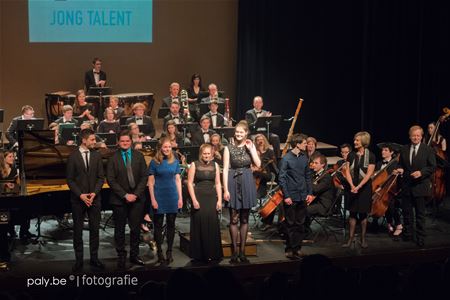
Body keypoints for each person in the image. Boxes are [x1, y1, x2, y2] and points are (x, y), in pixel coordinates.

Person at [107, 131, 148, 270]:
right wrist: (125, 195)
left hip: (137, 199)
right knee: (119, 229)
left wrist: (135, 194)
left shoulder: (139, 156)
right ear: (118, 142)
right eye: (122, 141)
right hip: (119, 200)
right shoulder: (113, 158)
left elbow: (144, 177)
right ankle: (121, 256)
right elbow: (111, 180)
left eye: (127, 141)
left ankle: (134, 255)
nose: (125, 143)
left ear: (131, 142)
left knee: (135, 229)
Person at [66, 128, 105, 272]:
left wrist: (94, 193)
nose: (95, 142)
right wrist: (81, 195)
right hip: (78, 200)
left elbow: (101, 177)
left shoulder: (96, 156)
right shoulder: (73, 156)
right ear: (84, 140)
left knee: (95, 230)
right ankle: (79, 260)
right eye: (92, 140)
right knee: (78, 231)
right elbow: (70, 180)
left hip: (95, 199)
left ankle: (94, 258)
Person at [223, 121, 261, 263]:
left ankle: (243, 252)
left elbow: (258, 164)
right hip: (233, 180)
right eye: (237, 132)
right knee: (233, 218)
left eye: (241, 132)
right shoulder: (228, 148)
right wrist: (225, 189)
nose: (239, 134)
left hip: (246, 180)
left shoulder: (249, 146)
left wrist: (251, 149)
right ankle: (234, 251)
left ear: (246, 133)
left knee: (245, 218)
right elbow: (225, 169)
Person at [394, 125, 436, 247]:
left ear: (421, 137)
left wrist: (421, 173)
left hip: (420, 186)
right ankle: (407, 234)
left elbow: (432, 167)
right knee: (407, 213)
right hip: (407, 185)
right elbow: (400, 164)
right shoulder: (404, 149)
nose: (416, 137)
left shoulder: (427, 150)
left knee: (420, 214)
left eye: (418, 135)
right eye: (413, 135)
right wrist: (400, 169)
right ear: (410, 136)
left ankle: (421, 237)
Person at [148, 137, 183, 265]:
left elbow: (178, 180)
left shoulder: (175, 161)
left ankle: (169, 251)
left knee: (171, 224)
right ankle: (159, 252)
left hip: (172, 195)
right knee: (157, 226)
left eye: (169, 147)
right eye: (165, 147)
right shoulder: (154, 162)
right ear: (160, 148)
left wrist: (180, 198)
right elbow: (150, 183)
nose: (167, 149)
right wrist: (153, 199)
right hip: (159, 196)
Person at [187, 143, 223, 263]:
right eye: (204, 153)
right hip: (199, 197)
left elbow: (218, 183)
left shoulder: (216, 165)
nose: (206, 156)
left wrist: (219, 200)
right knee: (199, 223)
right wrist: (194, 200)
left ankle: (212, 253)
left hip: (211, 197)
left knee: (212, 223)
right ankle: (199, 254)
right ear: (201, 153)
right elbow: (190, 183)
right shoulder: (194, 165)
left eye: (208, 153)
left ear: (212, 154)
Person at [278, 133, 312, 259]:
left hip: (302, 195)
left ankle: (297, 248)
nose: (306, 145)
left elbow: (307, 176)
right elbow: (281, 179)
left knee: (300, 223)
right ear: (297, 144)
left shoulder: (304, 157)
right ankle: (289, 249)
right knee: (290, 223)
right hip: (291, 196)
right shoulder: (286, 159)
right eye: (304, 143)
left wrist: (309, 193)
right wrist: (286, 195)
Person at [342, 131, 375, 249]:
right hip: (352, 187)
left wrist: (359, 186)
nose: (354, 142)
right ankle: (350, 239)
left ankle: (363, 238)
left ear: (364, 141)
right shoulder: (351, 155)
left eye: (357, 140)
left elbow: (368, 174)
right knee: (352, 213)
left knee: (363, 214)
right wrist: (351, 186)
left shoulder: (371, 155)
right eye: (355, 140)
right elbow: (347, 171)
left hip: (364, 188)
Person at [374, 143, 403, 237]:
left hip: (394, 190)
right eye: (382, 150)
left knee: (390, 203)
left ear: (392, 152)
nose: (383, 152)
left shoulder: (396, 163)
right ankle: (388, 223)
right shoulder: (379, 163)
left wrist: (400, 171)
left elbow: (401, 176)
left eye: (386, 150)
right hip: (381, 189)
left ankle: (398, 225)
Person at [252, 134, 278, 230]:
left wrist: (258, 171)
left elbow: (269, 175)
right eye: (257, 139)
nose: (260, 141)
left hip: (260, 188)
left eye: (261, 139)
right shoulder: (252, 159)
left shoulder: (267, 157)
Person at [305, 154, 334, 235]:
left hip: (323, 205)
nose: (313, 165)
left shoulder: (326, 177)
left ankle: (305, 231)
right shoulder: (314, 175)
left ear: (323, 165)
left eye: (316, 163)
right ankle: (301, 230)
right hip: (315, 202)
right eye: (313, 163)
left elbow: (316, 189)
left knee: (303, 210)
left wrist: (307, 181)